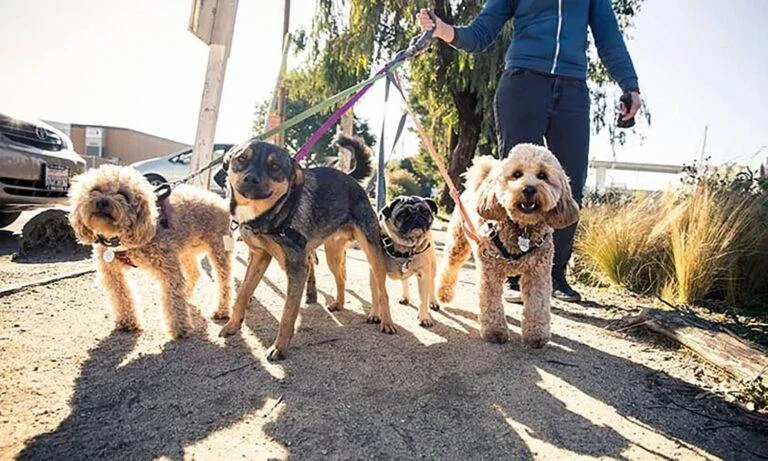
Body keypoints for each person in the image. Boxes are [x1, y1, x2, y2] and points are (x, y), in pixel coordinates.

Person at [417, 1, 641, 303]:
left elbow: (609, 37)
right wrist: (442, 30)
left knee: (569, 183)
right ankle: (512, 274)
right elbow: (480, 34)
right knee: (516, 183)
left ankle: (555, 275)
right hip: (523, 83)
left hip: (572, 89)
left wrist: (630, 85)